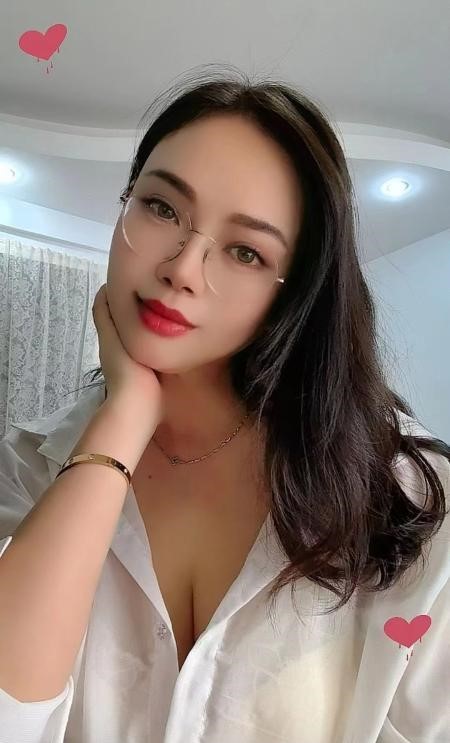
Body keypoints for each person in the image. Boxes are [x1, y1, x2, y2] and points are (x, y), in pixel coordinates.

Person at [0, 65, 449, 743]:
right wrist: (121, 423)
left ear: (296, 292)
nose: (182, 269)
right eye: (161, 208)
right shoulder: (29, 464)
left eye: (244, 251)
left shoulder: (411, 502)